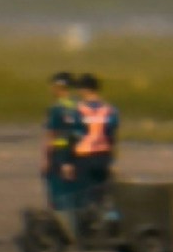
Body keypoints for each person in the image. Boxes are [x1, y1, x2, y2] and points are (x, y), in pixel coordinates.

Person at [48, 71, 124, 231]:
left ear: (84, 90)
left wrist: (65, 162)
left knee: (82, 197)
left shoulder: (77, 111)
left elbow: (69, 138)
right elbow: (112, 137)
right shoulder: (110, 110)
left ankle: (86, 230)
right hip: (103, 157)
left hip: (83, 159)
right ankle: (110, 224)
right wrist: (112, 160)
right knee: (103, 195)